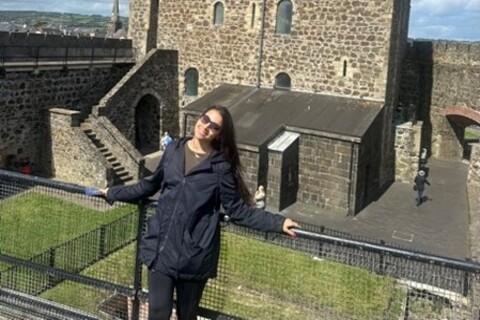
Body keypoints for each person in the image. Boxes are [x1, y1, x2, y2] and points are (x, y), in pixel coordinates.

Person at [94, 105, 299, 320]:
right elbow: (149, 185)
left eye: (215, 126)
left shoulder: (220, 168)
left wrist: (278, 223)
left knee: (187, 315)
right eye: (205, 119)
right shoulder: (173, 150)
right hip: (161, 248)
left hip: (194, 255)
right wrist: (112, 192)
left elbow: (237, 211)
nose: (206, 126)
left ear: (220, 134)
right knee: (158, 312)